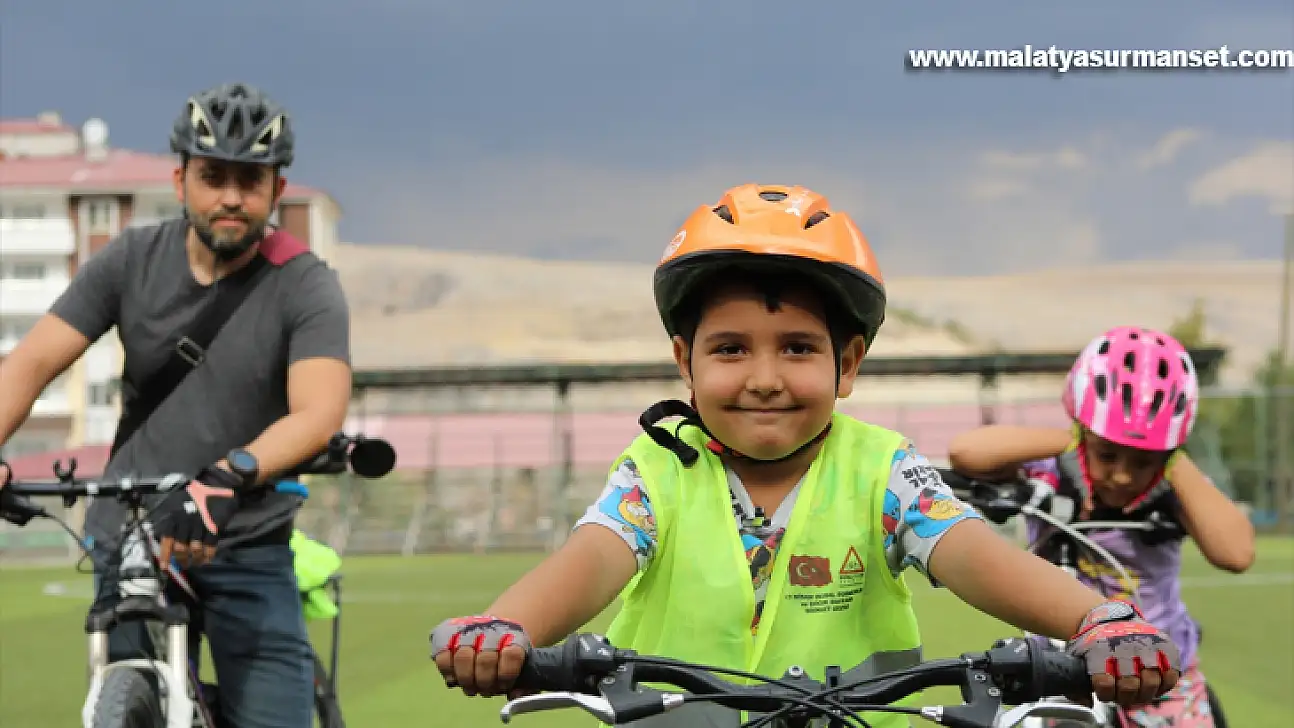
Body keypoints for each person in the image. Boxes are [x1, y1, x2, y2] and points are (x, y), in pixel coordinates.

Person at [429, 184, 1183, 727]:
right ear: (685, 363)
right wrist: (504, 627)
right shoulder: (655, 471)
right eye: (730, 350)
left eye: (797, 348)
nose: (764, 378)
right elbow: (592, 557)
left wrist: (1099, 620)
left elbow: (977, 555)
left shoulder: (885, 472)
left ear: (847, 364)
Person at [0, 82, 351, 728]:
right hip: (132, 536)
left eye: (250, 181)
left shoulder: (305, 284)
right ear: (179, 180)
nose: (230, 197)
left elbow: (318, 413)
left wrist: (226, 478)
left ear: (276, 191)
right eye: (212, 177)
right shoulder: (130, 261)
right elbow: (29, 364)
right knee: (124, 701)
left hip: (247, 542)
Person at [948, 326, 1254, 727]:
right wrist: (1072, 439)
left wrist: (1173, 460)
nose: (1123, 475)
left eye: (1143, 461)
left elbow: (1236, 553)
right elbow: (966, 453)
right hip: (1061, 669)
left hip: (1156, 674)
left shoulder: (1176, 487)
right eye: (1107, 455)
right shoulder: (1054, 469)